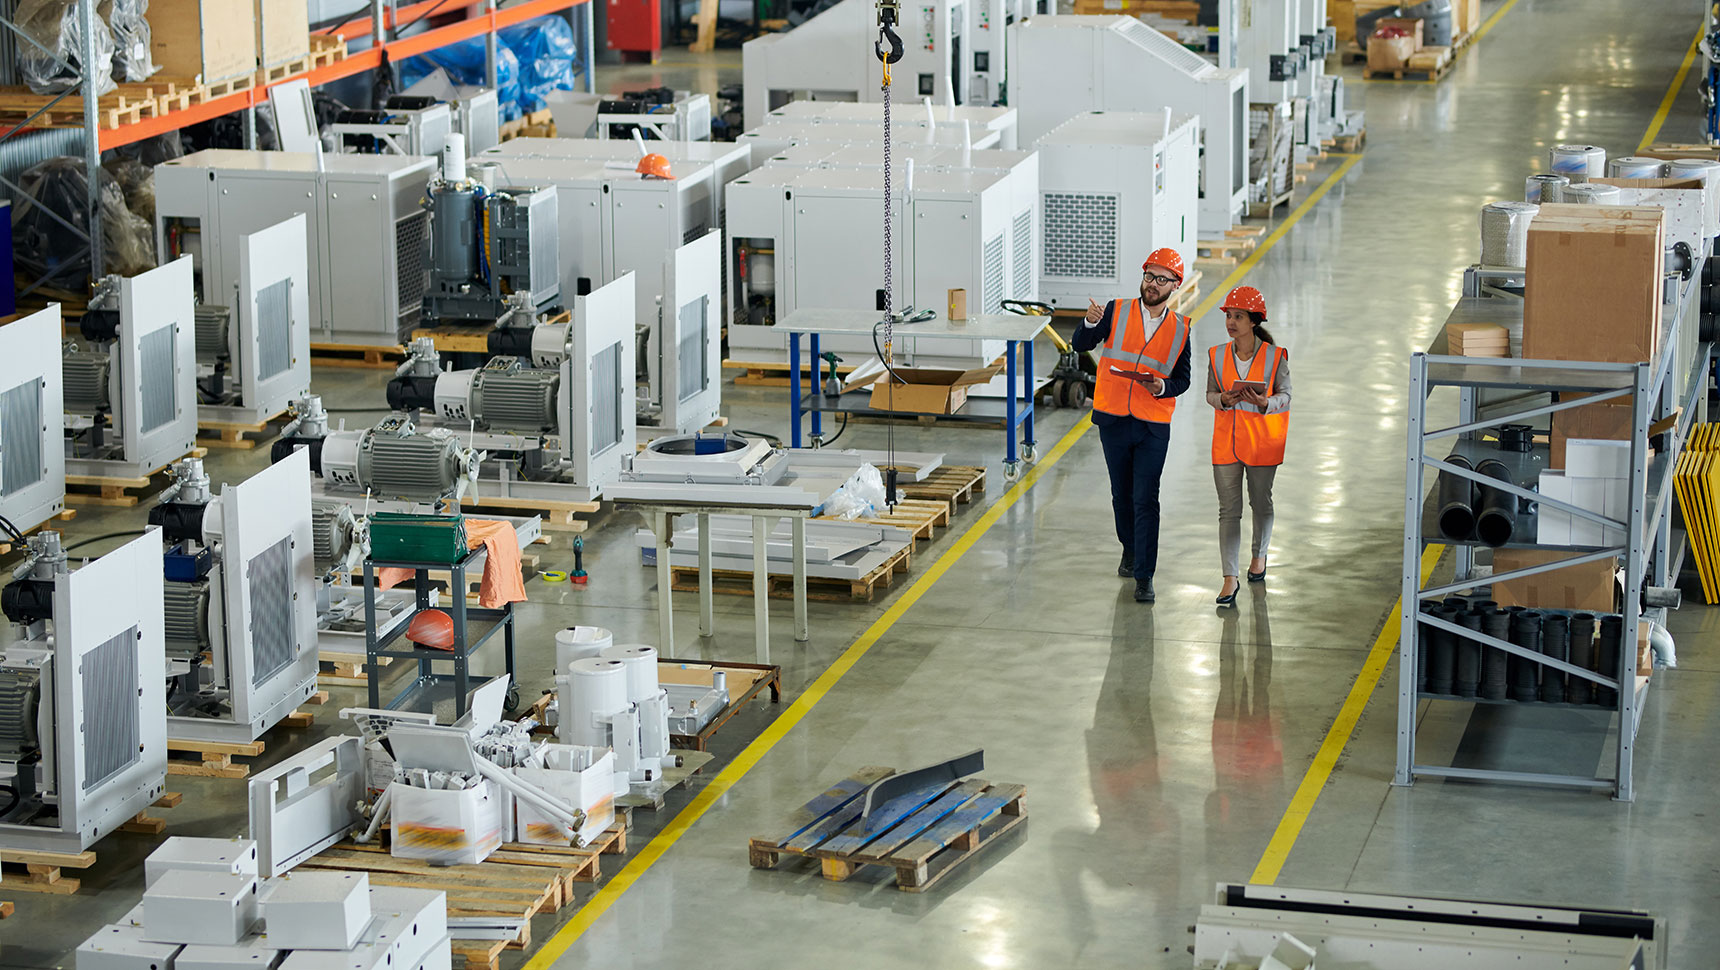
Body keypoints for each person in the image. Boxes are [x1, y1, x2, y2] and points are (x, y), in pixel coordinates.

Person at [1072, 248, 1193, 604]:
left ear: (1175, 285)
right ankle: (1129, 547)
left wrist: (1162, 387)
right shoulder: (1115, 311)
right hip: (1113, 419)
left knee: (1146, 498)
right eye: (1148, 276)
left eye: (1160, 279)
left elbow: (1183, 379)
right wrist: (1091, 323)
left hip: (1153, 425)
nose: (1151, 284)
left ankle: (1145, 573)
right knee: (1121, 495)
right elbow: (1081, 344)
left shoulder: (1181, 329)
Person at [1206, 286, 1291, 608]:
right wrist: (1223, 400)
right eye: (1229, 316)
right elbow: (1210, 395)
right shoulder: (1216, 355)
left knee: (1260, 501)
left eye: (1238, 316)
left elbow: (1287, 396)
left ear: (1254, 321)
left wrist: (1266, 402)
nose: (1231, 322)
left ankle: (1259, 555)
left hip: (1261, 443)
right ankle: (1229, 576)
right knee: (1228, 511)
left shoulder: (1275, 356)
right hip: (1226, 443)